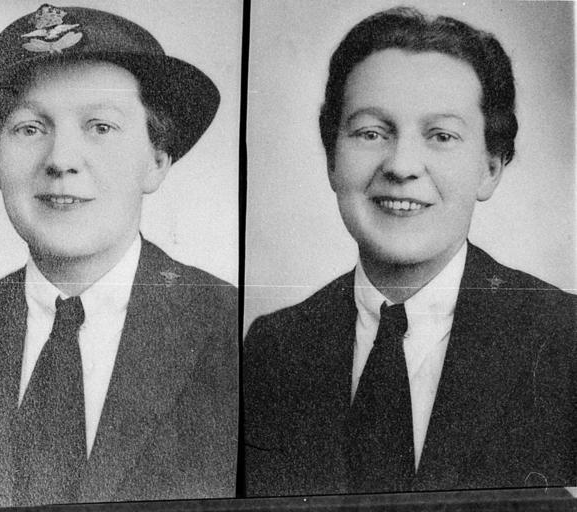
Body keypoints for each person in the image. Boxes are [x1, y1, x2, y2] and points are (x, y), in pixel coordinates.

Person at [0, 4, 237, 508]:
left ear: (156, 161)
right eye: (30, 128)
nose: (60, 160)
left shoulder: (230, 331)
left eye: (100, 126)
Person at [242, 6, 575, 497]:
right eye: (371, 133)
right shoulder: (275, 346)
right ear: (332, 157)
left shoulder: (563, 338)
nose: (401, 166)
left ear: (490, 167)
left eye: (441, 136)